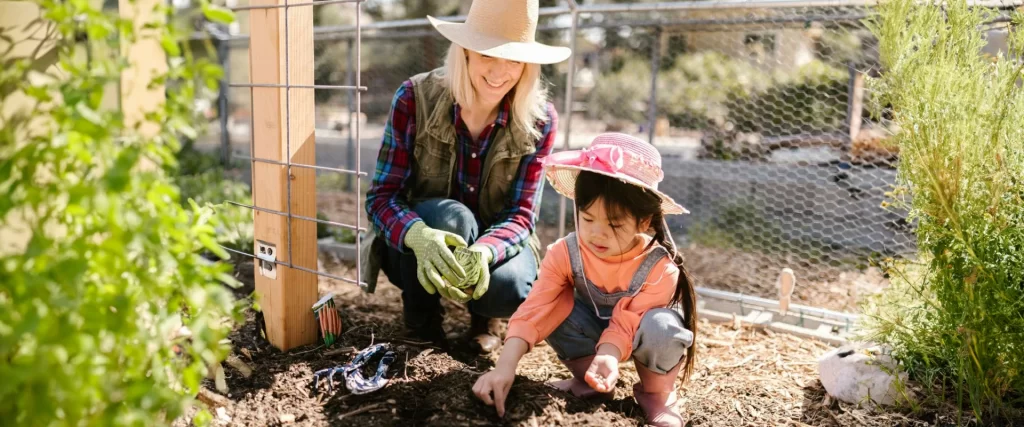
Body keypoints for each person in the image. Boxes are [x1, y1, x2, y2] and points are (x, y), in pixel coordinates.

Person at [361, 0, 571, 354]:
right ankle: (421, 321)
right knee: (451, 219)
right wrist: (419, 235)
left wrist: (486, 252)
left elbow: (521, 215)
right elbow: (381, 197)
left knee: (512, 287)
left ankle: (484, 319)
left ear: (528, 66)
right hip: (415, 249)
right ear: (467, 53)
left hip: (493, 242)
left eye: (514, 59)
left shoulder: (540, 120)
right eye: (488, 54)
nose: (500, 71)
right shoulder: (414, 97)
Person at [472, 133, 698, 427]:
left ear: (643, 222)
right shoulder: (565, 253)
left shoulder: (661, 268)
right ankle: (589, 381)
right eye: (587, 218)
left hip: (638, 335)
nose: (596, 233)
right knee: (555, 308)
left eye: (614, 224)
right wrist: (504, 368)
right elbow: (536, 308)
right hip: (588, 333)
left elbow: (629, 319)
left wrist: (609, 353)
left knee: (663, 327)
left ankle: (655, 393)